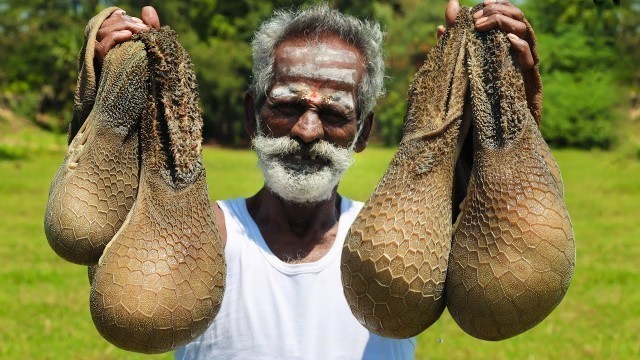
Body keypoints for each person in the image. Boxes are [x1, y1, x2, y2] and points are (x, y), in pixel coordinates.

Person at [93, 1, 537, 358]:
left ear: (362, 132)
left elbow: (500, 240)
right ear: (253, 116)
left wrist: (512, 92)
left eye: (334, 113)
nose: (307, 131)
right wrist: (104, 88)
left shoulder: (407, 246)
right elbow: (110, 264)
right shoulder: (201, 238)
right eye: (287, 106)